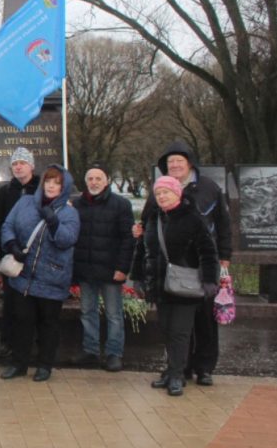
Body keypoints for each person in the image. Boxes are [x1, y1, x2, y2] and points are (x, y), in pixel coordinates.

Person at [136, 141, 232, 387]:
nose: (175, 165)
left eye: (179, 160)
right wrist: (139, 229)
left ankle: (204, 367)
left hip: (198, 267)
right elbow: (147, 221)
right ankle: (181, 368)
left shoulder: (209, 188)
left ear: (189, 162)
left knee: (204, 323)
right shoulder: (160, 191)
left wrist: (224, 257)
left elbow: (222, 223)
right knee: (175, 327)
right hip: (168, 273)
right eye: (170, 162)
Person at [0, 165, 80, 383]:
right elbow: (7, 225)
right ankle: (19, 363)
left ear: (64, 188)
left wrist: (53, 221)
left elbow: (67, 239)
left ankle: (45, 365)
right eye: (48, 182)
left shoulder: (69, 212)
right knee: (22, 321)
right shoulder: (25, 202)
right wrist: (12, 245)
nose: (51, 186)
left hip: (51, 278)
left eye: (57, 184)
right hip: (23, 276)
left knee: (48, 324)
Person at [144, 176, 219, 396]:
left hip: (186, 285)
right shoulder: (154, 219)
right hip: (161, 285)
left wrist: (209, 280)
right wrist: (141, 277)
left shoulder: (193, 219)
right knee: (167, 330)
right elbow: (145, 252)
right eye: (158, 194)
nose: (162, 197)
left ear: (178, 194)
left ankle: (178, 375)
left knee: (180, 333)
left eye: (166, 192)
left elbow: (208, 251)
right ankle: (171, 371)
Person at [72, 163, 134, 372]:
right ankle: (90, 350)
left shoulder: (120, 204)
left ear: (106, 181)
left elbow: (127, 239)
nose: (94, 182)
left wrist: (122, 268)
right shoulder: (78, 205)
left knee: (114, 314)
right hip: (86, 269)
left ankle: (114, 353)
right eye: (90, 179)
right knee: (87, 311)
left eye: (98, 178)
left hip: (110, 270)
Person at [0, 147, 39, 361]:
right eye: (15, 163)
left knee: (33, 301)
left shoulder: (41, 191)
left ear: (31, 166)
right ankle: (8, 342)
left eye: (22, 163)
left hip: (35, 256)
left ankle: (33, 342)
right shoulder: (4, 192)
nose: (18, 167)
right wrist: (10, 247)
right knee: (11, 302)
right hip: (10, 256)